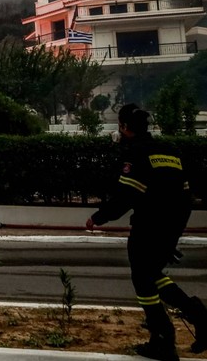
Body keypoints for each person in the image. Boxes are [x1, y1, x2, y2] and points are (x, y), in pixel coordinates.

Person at [86, 103, 207, 360]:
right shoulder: (170, 151)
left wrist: (99, 217)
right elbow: (187, 195)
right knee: (151, 274)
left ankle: (163, 337)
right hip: (172, 224)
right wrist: (173, 232)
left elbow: (126, 195)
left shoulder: (136, 153)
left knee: (142, 278)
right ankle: (195, 316)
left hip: (148, 225)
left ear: (124, 127)